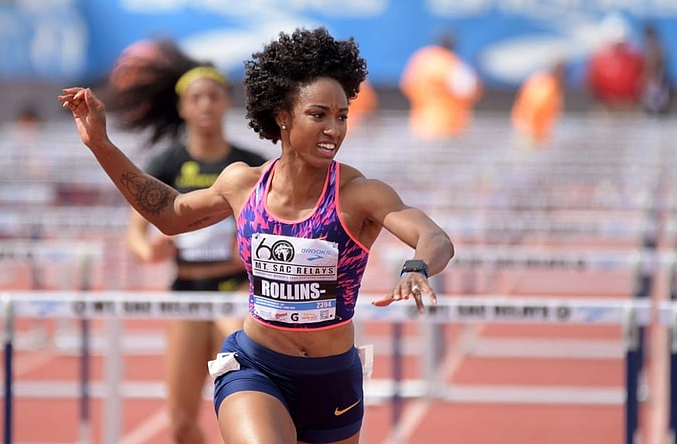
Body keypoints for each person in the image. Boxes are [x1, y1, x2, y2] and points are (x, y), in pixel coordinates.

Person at [59, 26, 454, 444]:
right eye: (318, 115)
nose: (333, 130)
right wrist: (100, 143)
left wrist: (417, 266)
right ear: (282, 116)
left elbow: (433, 237)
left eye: (341, 117)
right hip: (256, 366)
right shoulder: (241, 185)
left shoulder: (360, 195)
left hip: (332, 379)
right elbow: (170, 214)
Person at [109, 39, 267, 444]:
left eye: (214, 96)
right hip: (184, 293)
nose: (205, 105)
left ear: (225, 103)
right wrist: (148, 251)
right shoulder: (167, 163)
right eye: (196, 97)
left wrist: (249, 253)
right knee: (180, 423)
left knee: (240, 412)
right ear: (182, 107)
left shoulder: (249, 163)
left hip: (235, 293)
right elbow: (135, 233)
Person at [399, 31, 482, 140]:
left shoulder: (421, 60)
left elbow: (406, 85)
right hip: (449, 125)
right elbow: (468, 90)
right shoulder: (452, 63)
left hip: (421, 123)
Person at [586, 14, 644, 112]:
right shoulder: (598, 58)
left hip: (629, 105)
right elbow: (592, 83)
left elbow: (641, 80)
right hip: (605, 105)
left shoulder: (634, 57)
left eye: (621, 43)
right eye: (615, 44)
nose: (618, 47)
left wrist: (630, 99)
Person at [510, 60, 565, 146]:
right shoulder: (547, 84)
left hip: (526, 126)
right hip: (531, 130)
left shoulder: (540, 79)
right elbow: (537, 106)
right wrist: (535, 132)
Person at [640, 23, 672, 115]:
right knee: (650, 105)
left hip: (659, 79)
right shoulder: (646, 45)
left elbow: (662, 63)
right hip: (650, 81)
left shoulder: (659, 46)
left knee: (660, 103)